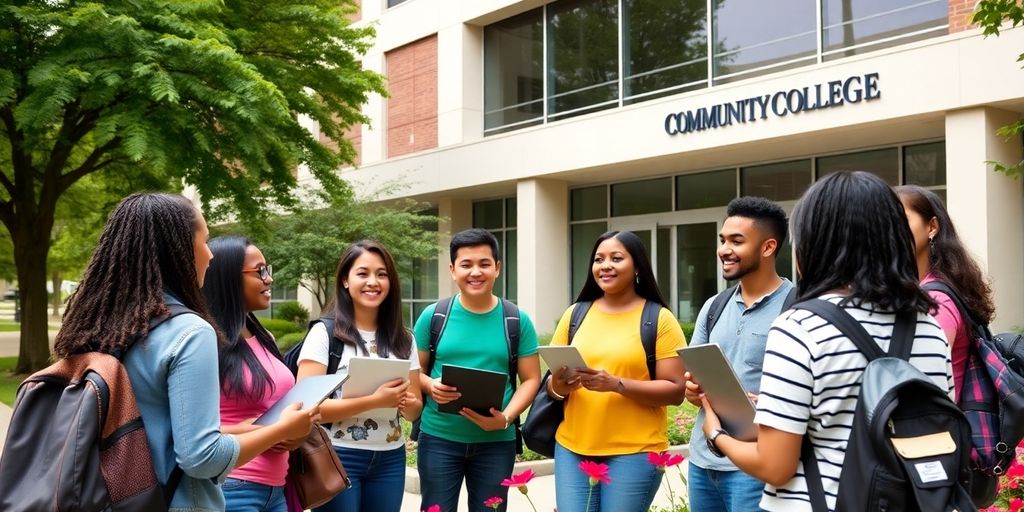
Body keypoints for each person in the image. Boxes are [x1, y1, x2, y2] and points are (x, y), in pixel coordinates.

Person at [699, 171, 953, 511]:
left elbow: (775, 466)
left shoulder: (800, 327)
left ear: (817, 242)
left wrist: (717, 435)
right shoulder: (929, 328)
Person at [53, 193, 319, 512]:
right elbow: (201, 457)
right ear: (178, 250)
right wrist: (282, 430)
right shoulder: (191, 333)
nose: (209, 255)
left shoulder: (107, 326)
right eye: (204, 242)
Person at [547, 230, 687, 512]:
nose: (605, 265)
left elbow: (676, 391)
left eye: (616, 258)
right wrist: (561, 386)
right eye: (599, 259)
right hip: (573, 450)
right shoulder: (575, 314)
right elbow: (550, 385)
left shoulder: (659, 319)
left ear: (637, 266)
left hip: (634, 453)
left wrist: (616, 384)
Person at [414, 228, 541, 512]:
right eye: (466, 264)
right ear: (452, 269)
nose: (476, 272)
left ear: (497, 268)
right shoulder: (433, 316)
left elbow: (531, 379)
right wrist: (429, 385)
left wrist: (507, 418)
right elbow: (415, 373)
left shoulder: (516, 320)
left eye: (484, 264)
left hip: (496, 442)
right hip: (438, 439)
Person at [684, 197, 794, 512]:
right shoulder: (713, 306)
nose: (724, 250)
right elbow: (691, 384)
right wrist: (693, 390)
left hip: (758, 466)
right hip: (703, 462)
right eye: (722, 240)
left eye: (737, 241)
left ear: (768, 247)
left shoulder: (796, 307)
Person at [296, 240, 422, 512]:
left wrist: (405, 402)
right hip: (337, 455)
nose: (373, 282)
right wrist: (376, 399)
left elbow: (414, 411)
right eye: (362, 273)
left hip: (390, 458)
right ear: (345, 280)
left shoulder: (404, 339)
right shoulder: (324, 334)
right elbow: (306, 410)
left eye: (382, 274)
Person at [203, 236, 303, 512]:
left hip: (276, 489)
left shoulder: (263, 336)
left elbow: (272, 411)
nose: (269, 279)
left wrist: (296, 431)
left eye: (267, 269)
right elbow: (188, 433)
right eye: (259, 271)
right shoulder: (206, 341)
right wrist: (268, 430)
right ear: (227, 278)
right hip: (233, 485)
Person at [897, 185, 995, 401]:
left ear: (931, 227)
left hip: (941, 430)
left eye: (901, 220)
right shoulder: (940, 285)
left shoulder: (935, 300)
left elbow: (923, 386)